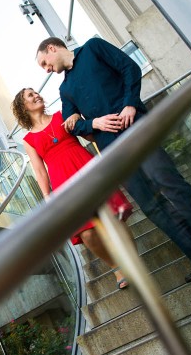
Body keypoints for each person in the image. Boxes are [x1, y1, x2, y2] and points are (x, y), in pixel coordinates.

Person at [36, 36, 191, 282]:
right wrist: (93, 122)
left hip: (137, 129)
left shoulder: (93, 48)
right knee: (151, 204)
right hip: (112, 149)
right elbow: (71, 125)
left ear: (52, 48)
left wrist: (130, 104)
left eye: (44, 62)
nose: (46, 69)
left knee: (173, 186)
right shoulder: (65, 89)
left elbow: (129, 68)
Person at [13, 88, 133, 289]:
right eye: (30, 96)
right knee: (86, 233)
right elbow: (40, 171)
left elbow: (89, 135)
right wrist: (47, 196)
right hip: (63, 184)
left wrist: (78, 117)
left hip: (87, 168)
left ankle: (131, 262)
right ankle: (117, 267)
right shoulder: (28, 141)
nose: (37, 96)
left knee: (115, 216)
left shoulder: (62, 115)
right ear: (23, 107)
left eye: (36, 92)